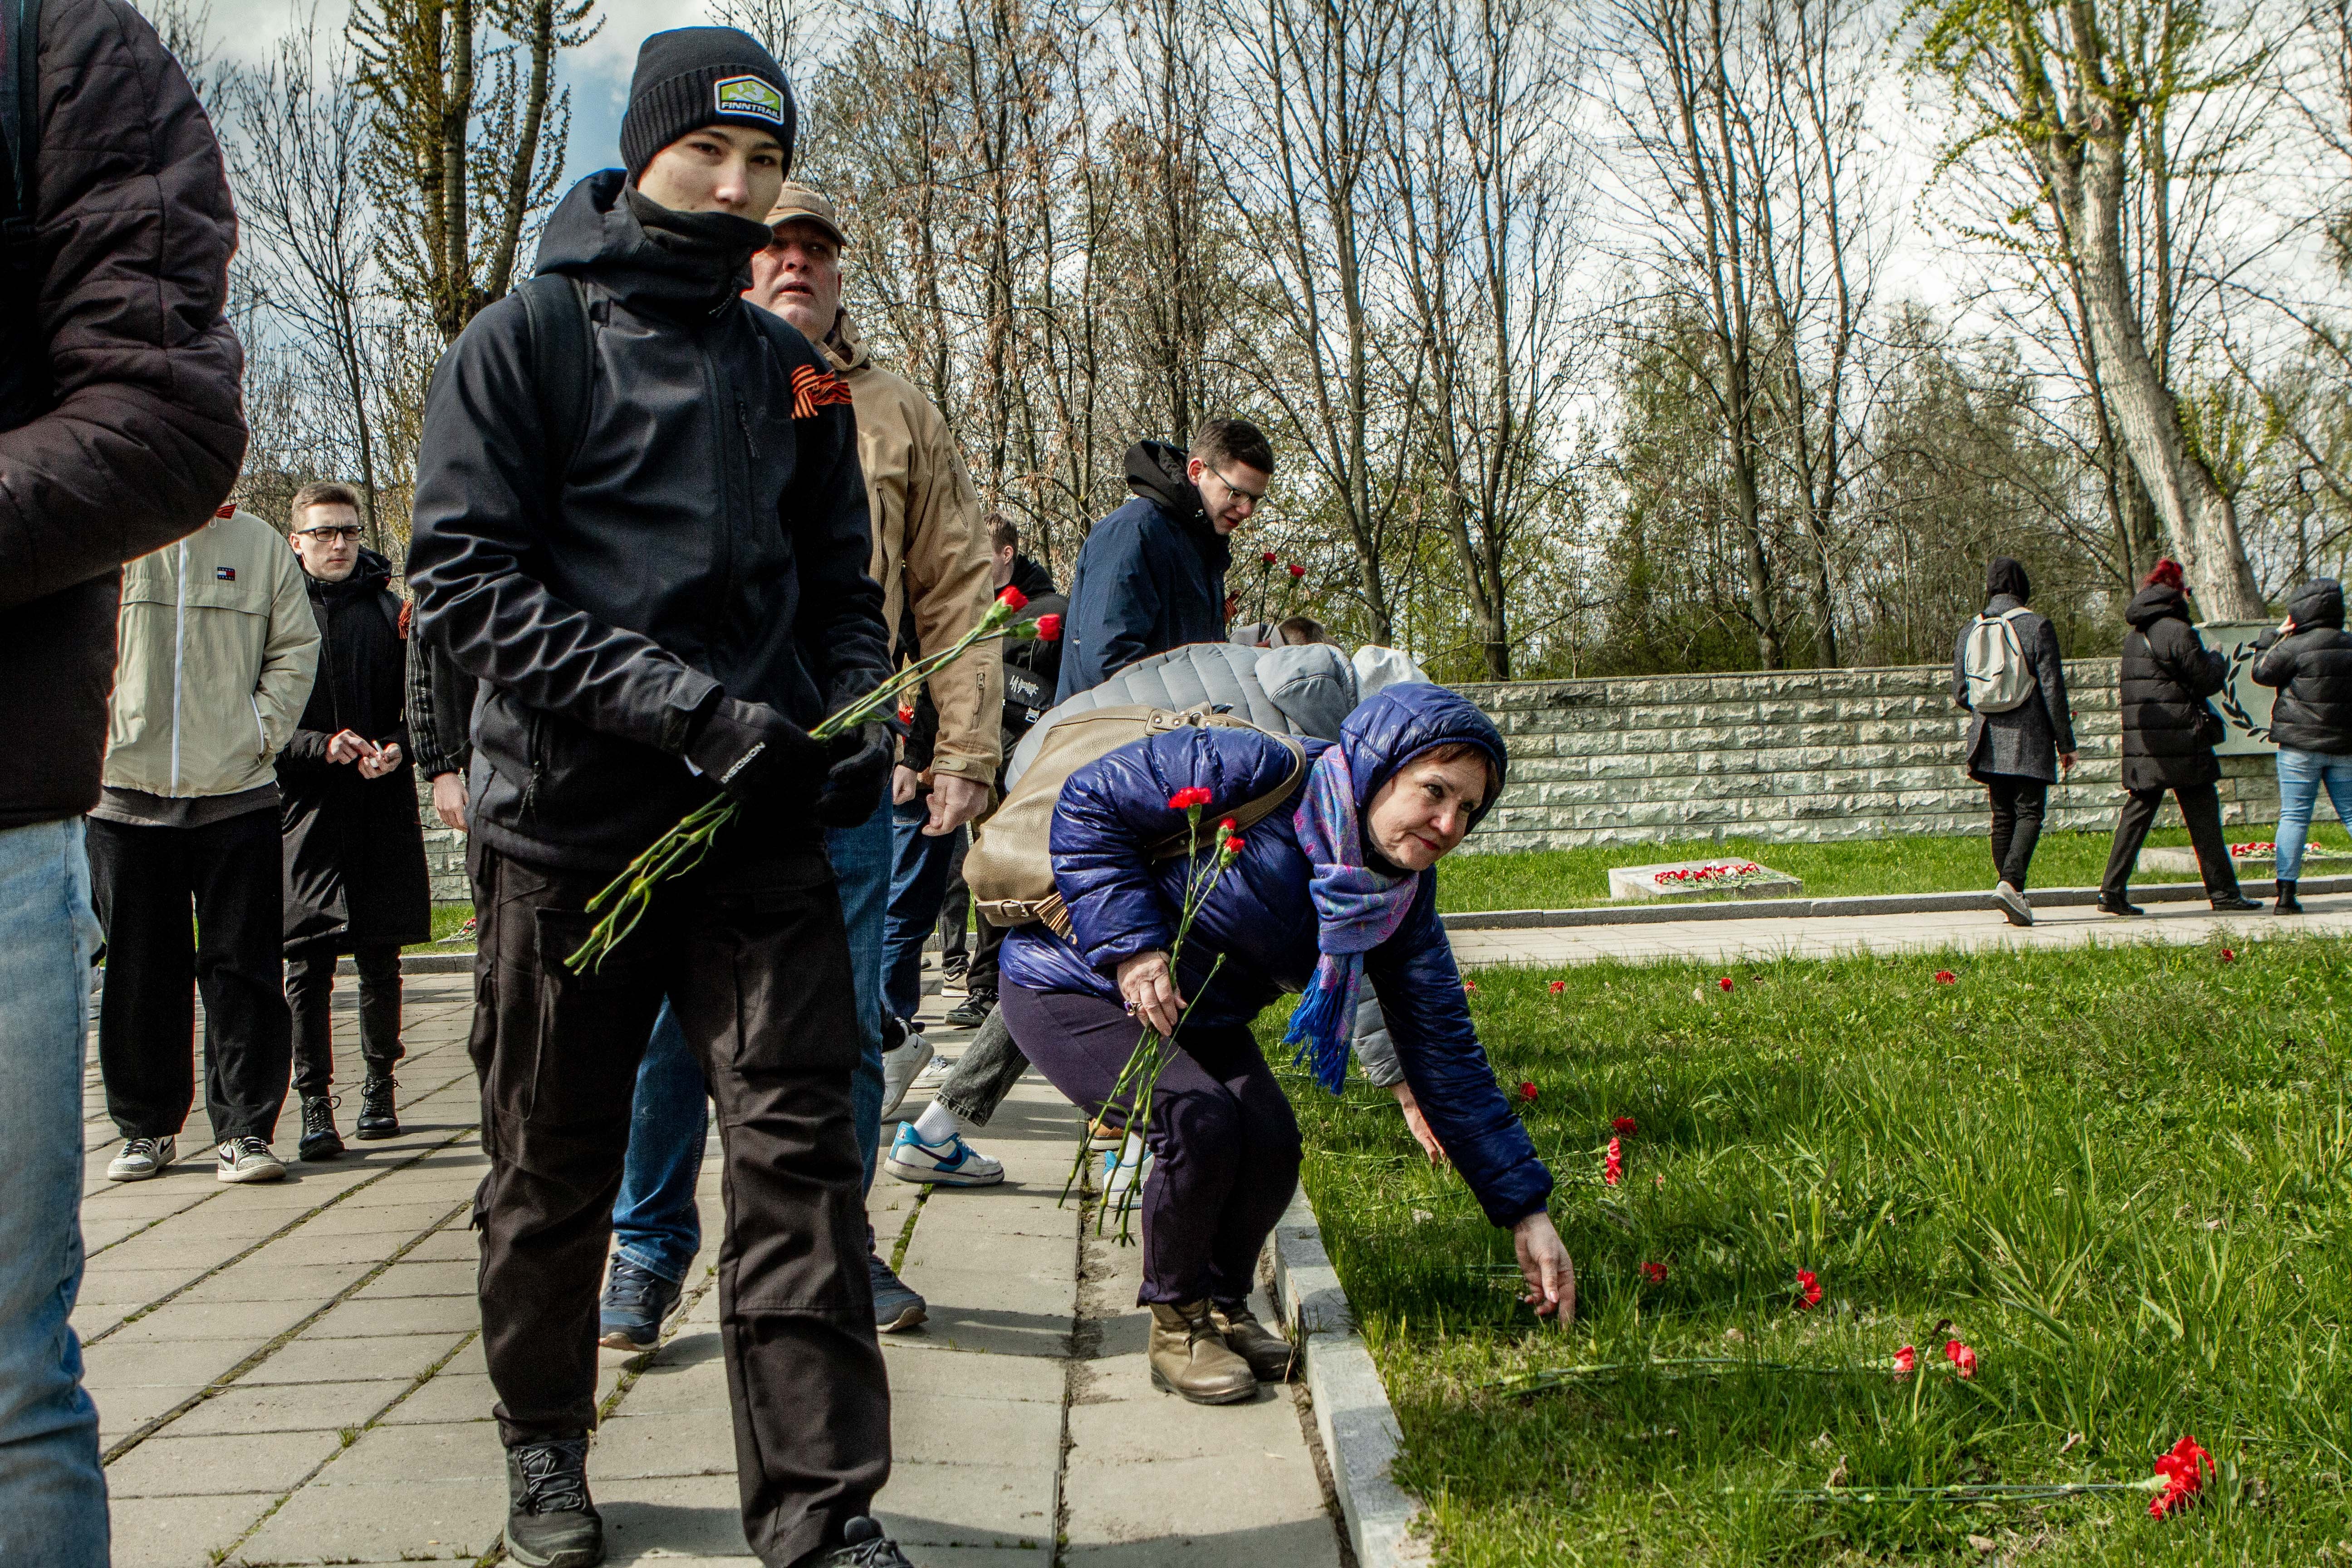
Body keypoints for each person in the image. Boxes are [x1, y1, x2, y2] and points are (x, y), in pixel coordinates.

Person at [406, 31, 909, 1568]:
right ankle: (545, 1441)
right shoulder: (523, 342)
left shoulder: (794, 374)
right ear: (641, 155)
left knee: (799, 1167)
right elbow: (465, 586)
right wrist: (684, 710)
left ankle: (822, 1513)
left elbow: (843, 586)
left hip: (757, 840)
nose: (738, 187)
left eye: (766, 162)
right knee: (550, 1166)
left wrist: (849, 710)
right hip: (568, 839)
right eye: (710, 155)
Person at [595, 178, 1003, 1356]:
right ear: (739, 258)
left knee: (847, 1028)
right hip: (692, 766)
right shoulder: (675, 372)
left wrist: (964, 748)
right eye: (776, 246)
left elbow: (955, 584)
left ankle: (835, 1241)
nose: (796, 265)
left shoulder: (894, 411)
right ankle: (646, 1245)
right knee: (671, 1024)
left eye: (818, 249)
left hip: (841, 770)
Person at [995, 684, 1571, 1402]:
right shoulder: (1263, 772)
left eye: (1469, 810)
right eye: (1435, 790)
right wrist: (1133, 948)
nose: (1449, 822)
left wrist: (1526, 1211)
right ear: (1380, 766)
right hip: (1072, 983)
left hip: (1196, 1012)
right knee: (1198, 1121)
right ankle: (1178, 1327)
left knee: (1270, 1142)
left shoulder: (1397, 901)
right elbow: (1091, 801)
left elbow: (1447, 1055)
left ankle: (1223, 1308)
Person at [0, 0, 247, 1553]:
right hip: (131, 786)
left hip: (34, 808)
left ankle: (225, 1117)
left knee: (3, 1387)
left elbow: (162, 412)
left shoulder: (55, 49)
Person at [888, 637, 1434, 1189]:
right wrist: (1402, 1078)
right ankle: (1135, 1158)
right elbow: (1346, 927)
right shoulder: (1312, 753)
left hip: (1068, 745)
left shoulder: (1276, 670)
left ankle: (937, 1132)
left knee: (1073, 964)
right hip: (1085, 786)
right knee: (1116, 957)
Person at [89, 499, 318, 1188]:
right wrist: (98, 735)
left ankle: (245, 1130)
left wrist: (259, 733)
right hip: (125, 795)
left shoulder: (260, 545)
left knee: (243, 967)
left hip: (236, 794)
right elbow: (72, 643)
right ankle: (146, 1127)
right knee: (138, 970)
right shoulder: (112, 535)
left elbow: (295, 648)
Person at [278, 483, 433, 1160]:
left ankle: (380, 1089)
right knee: (307, 962)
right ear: (297, 542)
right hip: (306, 809)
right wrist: (319, 746)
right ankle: (315, 1102)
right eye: (322, 532)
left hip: (380, 804)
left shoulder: (391, 611)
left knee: (380, 955)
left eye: (347, 530)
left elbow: (420, 703)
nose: (338, 544)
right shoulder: (277, 614)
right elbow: (257, 720)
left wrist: (398, 747)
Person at [1055, 421, 1274, 702]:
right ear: (1197, 471)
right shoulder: (1133, 532)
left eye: (1255, 500)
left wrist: (1237, 668)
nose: (1246, 510)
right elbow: (1109, 664)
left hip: (1164, 724)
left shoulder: (1201, 546)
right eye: (1237, 493)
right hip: (1110, 726)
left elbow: (1186, 660)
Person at [2099, 558, 2261, 917]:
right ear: (2176, 594)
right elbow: (2206, 680)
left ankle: (2111, 891)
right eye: (2187, 590)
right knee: (2203, 816)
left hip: (2147, 743)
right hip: (2184, 738)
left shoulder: (2135, 637)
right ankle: (2224, 893)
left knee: (2137, 814)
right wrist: (2217, 659)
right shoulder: (2178, 632)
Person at [1953, 556, 2077, 926]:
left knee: (2003, 816)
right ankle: (2010, 884)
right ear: (2022, 585)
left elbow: (1961, 692)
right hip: (2030, 737)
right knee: (2030, 812)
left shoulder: (1970, 629)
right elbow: (2053, 690)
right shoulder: (2037, 626)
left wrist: (1993, 706)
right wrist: (2065, 743)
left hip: (1987, 737)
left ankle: (2010, 891)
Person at [2252, 579, 2352, 914]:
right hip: (2345, 746)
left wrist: (2269, 639)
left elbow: (2262, 674)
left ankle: (2285, 896)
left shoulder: (2294, 647)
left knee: (2295, 816)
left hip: (2298, 747)